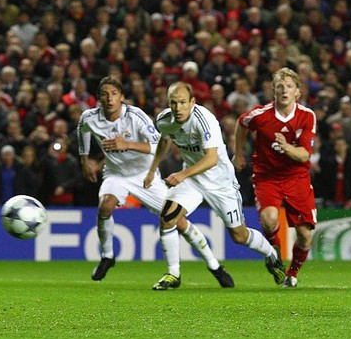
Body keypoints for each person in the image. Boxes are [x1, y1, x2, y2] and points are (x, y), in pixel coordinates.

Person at [78, 76, 234, 288]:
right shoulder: (89, 118)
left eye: (114, 94)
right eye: (104, 94)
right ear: (99, 98)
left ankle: (214, 265)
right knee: (105, 205)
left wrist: (127, 144)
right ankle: (107, 256)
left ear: (122, 97)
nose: (109, 99)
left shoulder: (136, 116)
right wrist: (85, 159)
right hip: (115, 174)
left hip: (144, 175)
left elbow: (156, 145)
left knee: (176, 221)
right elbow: (82, 132)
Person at [144, 82, 285, 290]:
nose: (178, 108)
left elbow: (211, 159)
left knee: (239, 236)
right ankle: (173, 274)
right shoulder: (165, 121)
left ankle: (272, 254)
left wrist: (182, 174)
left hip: (220, 182)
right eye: (173, 103)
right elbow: (164, 141)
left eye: (183, 102)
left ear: (192, 102)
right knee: (167, 218)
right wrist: (151, 170)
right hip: (193, 180)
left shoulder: (205, 120)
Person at [233, 68, 317, 288]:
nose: (284, 90)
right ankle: (275, 257)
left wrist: (287, 147)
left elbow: (304, 154)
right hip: (267, 177)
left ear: (298, 92)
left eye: (289, 86)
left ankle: (292, 273)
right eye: (279, 86)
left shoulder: (307, 116)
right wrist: (238, 153)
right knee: (269, 220)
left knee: (305, 236)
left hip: (297, 177)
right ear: (273, 90)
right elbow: (241, 125)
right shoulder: (260, 115)